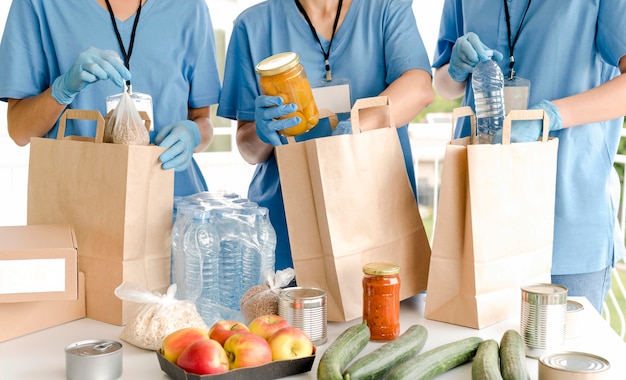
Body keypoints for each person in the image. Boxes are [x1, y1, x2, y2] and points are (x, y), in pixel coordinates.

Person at [432, 0, 626, 313]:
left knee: (558, 357)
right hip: (483, 212)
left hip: (566, 222)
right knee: (476, 355)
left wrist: (552, 115)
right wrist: (455, 70)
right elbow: (444, 86)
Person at [217, 0, 434, 272]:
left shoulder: (385, 8)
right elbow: (249, 151)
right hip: (288, 227)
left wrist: (354, 128)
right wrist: (262, 132)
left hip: (376, 216)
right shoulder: (253, 25)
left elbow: (419, 87)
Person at [0, 0, 221, 197]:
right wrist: (61, 91)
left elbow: (202, 120)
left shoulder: (190, 7)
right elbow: (19, 131)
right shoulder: (39, 5)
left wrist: (193, 135)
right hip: (78, 207)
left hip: (172, 206)